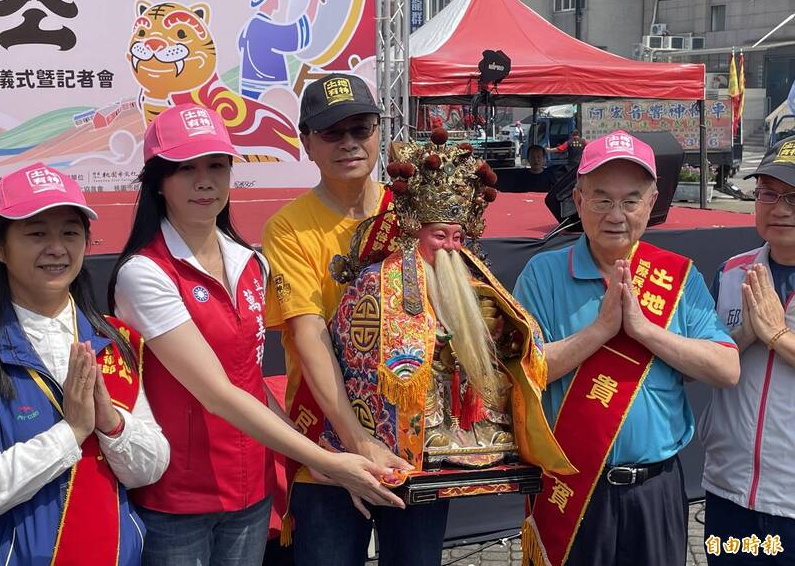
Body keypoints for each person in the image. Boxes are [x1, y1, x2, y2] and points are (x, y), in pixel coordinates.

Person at [109, 103, 403, 565]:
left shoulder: (251, 263)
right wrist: (329, 462)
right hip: (179, 500)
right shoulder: (144, 273)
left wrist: (314, 457)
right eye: (186, 169)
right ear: (159, 182)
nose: (205, 182)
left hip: (250, 492)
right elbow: (217, 394)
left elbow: (250, 383)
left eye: (216, 167)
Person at [319, 131, 573, 566]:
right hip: (387, 438)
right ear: (415, 232)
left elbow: (516, 341)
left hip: (464, 424)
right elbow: (364, 359)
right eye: (440, 237)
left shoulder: (472, 281)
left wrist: (499, 337)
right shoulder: (376, 284)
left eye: (458, 238)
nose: (452, 248)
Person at [513, 130, 740, 566]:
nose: (616, 215)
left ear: (651, 203)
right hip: (572, 491)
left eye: (631, 200)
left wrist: (644, 331)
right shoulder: (541, 274)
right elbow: (519, 372)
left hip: (655, 491)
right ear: (578, 201)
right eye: (601, 199)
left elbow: (726, 368)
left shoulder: (676, 277)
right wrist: (599, 331)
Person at [261, 73, 412, 560]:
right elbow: (310, 337)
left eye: (361, 128)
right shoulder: (288, 229)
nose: (349, 143)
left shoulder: (408, 214)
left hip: (412, 439)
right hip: (326, 442)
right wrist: (357, 445)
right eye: (332, 132)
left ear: (378, 133)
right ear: (307, 142)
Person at [0, 163, 170, 565]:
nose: (57, 248)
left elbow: (152, 467)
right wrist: (71, 432)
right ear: (0, 247)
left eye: (70, 233)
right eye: (37, 233)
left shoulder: (117, 339)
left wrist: (111, 423)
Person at [701, 137, 795, 565]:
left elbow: (773, 333)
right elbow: (708, 358)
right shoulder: (732, 272)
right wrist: (747, 336)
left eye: (794, 196)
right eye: (768, 193)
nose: (780, 208)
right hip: (729, 492)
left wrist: (777, 335)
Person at [237, 0, 325, 100]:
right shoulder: (262, 27)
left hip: (250, 92)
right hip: (267, 94)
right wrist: (314, 0)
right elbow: (295, 33)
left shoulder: (251, 25)